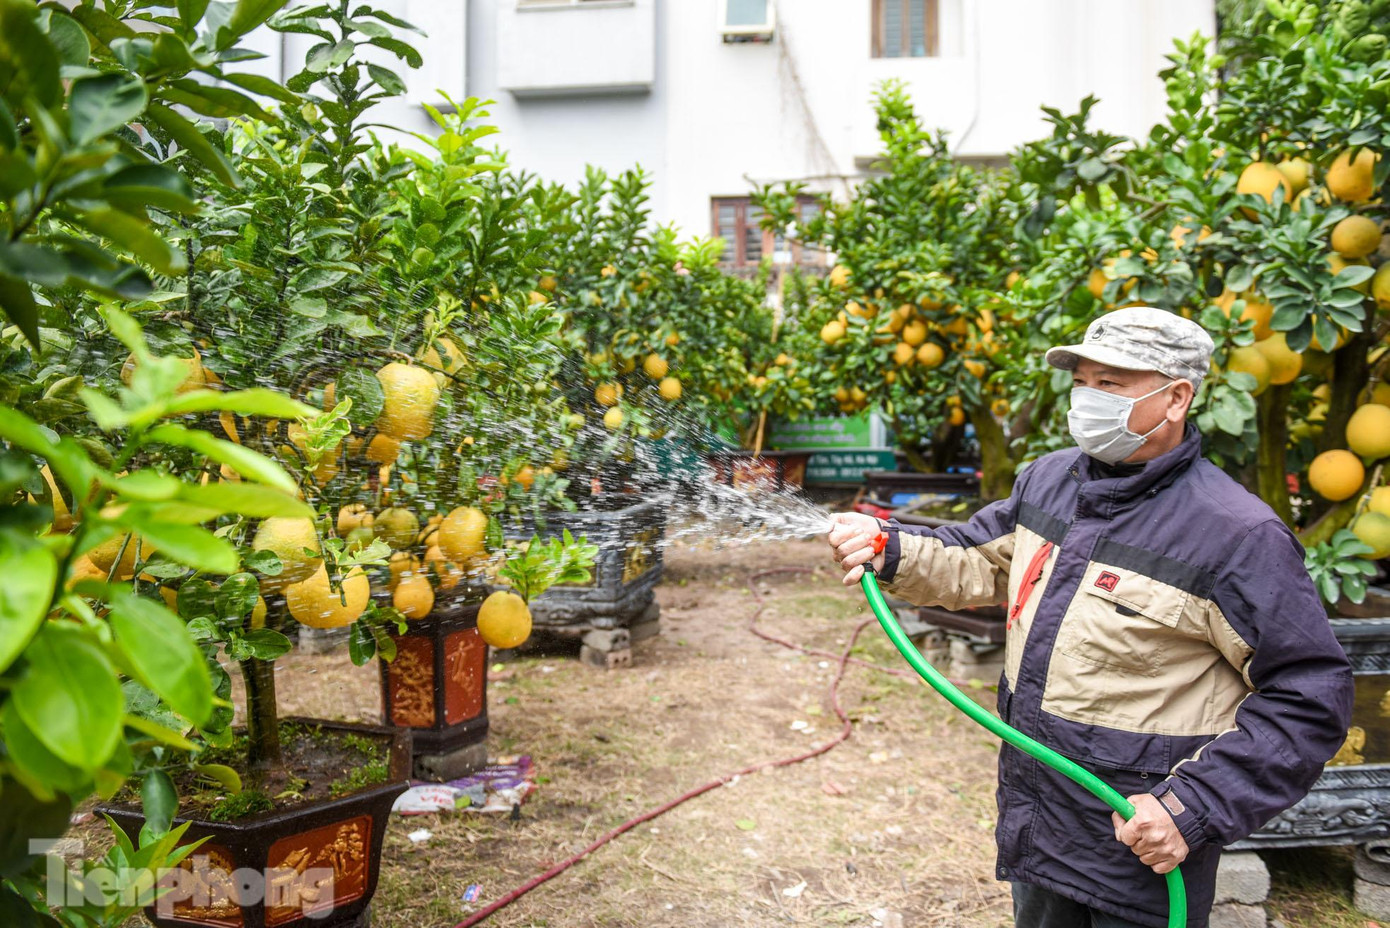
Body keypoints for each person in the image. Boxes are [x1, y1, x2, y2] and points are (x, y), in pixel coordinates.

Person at [827, 306, 1354, 927]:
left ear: (1176, 398)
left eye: (1110, 383)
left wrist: (1194, 806)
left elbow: (1308, 695)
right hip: (1038, 821)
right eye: (1081, 381)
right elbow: (977, 558)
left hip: (1139, 841)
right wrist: (888, 547)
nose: (1087, 399)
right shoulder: (1049, 481)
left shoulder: (1235, 536)